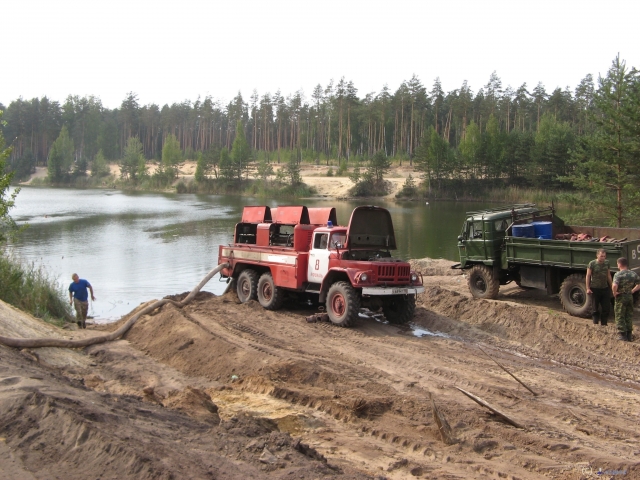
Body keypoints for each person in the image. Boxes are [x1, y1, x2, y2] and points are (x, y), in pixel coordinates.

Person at [611, 258, 640, 342]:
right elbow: (639, 284)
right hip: (629, 296)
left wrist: (614, 292)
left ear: (619, 264)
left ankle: (622, 335)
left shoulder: (618, 274)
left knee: (620, 315)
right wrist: (633, 290)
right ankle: (629, 335)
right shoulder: (633, 274)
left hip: (621, 297)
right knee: (628, 315)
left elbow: (614, 285)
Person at [586, 249, 612, 325]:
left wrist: (612, 286)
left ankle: (604, 324)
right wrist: (588, 288)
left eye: (604, 256)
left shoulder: (607, 263)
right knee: (595, 308)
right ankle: (595, 324)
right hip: (595, 288)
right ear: (597, 255)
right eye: (601, 256)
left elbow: (608, 275)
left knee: (606, 308)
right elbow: (588, 275)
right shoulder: (592, 263)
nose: (603, 258)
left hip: (605, 288)